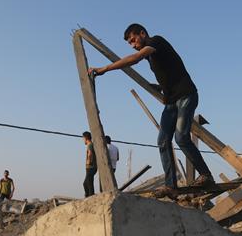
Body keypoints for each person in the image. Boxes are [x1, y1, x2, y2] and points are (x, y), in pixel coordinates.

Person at [89, 24, 213, 195]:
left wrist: (104, 69)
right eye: (130, 43)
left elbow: (135, 58)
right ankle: (171, 186)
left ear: (143, 33)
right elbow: (170, 70)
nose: (133, 45)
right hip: (171, 101)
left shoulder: (156, 41)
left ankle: (206, 175)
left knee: (181, 138)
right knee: (162, 140)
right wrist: (160, 86)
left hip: (186, 95)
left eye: (133, 40)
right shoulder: (151, 56)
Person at [82, 131, 97, 197]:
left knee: (89, 184)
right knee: (86, 184)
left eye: (83, 138)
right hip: (91, 167)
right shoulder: (91, 145)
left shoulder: (90, 145)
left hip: (91, 167)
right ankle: (88, 196)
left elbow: (90, 154)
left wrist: (88, 162)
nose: (83, 140)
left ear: (86, 138)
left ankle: (91, 197)